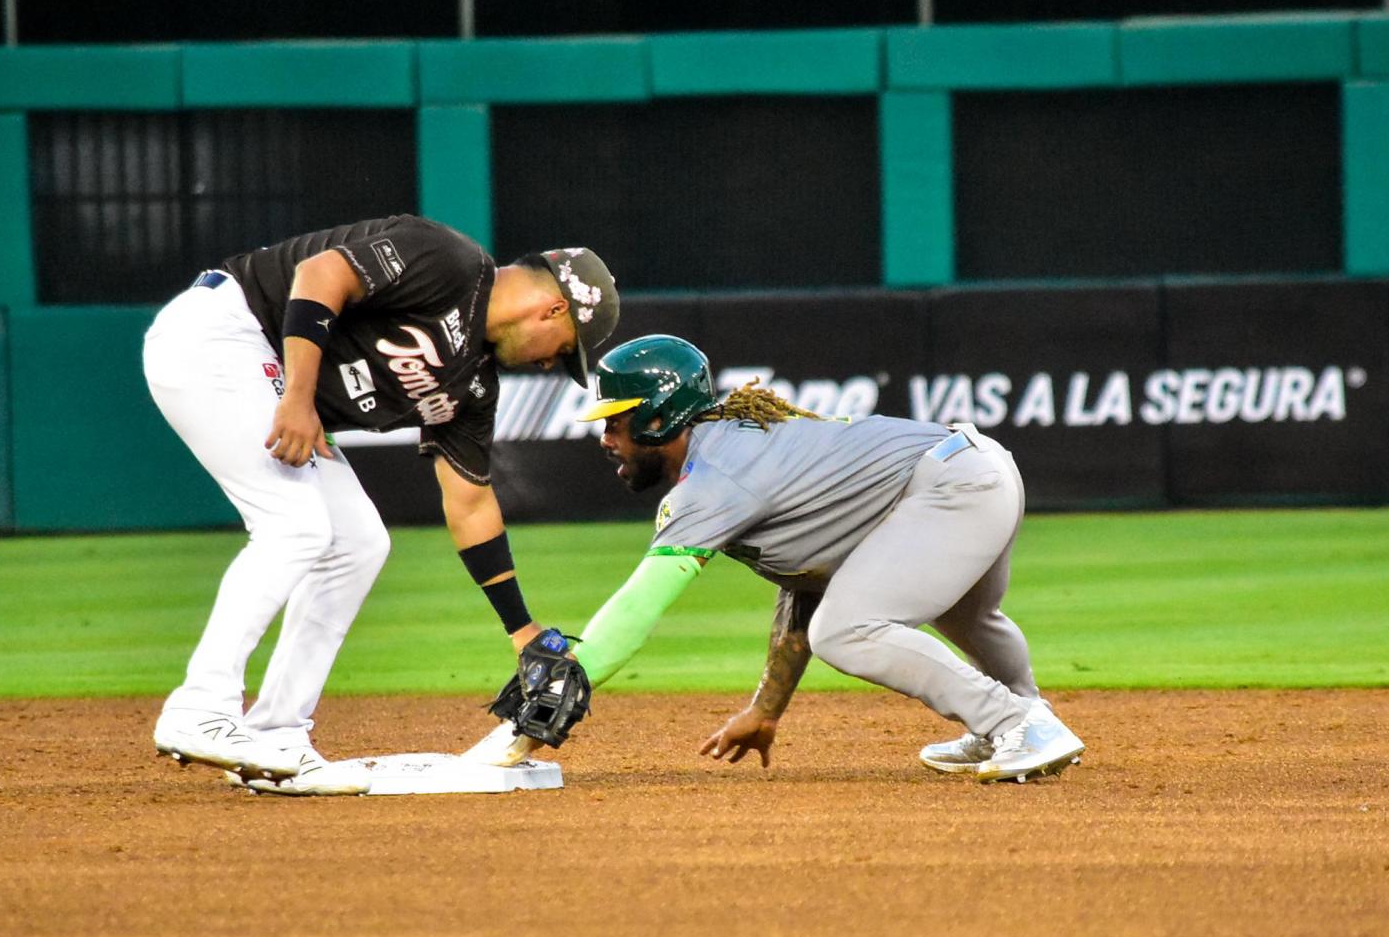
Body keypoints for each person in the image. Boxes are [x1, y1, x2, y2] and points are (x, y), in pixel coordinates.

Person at [463, 334, 1084, 784]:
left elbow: (639, 606)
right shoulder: (730, 448)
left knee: (847, 631)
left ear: (657, 418)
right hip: (973, 469)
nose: (605, 439)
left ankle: (1018, 722)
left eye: (616, 423)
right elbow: (807, 579)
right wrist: (766, 709)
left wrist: (562, 687)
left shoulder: (712, 480)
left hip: (950, 488)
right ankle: (1024, 715)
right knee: (964, 616)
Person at [144, 215, 619, 794]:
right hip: (223, 332)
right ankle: (200, 708)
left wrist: (522, 632)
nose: (550, 366)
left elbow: (469, 501)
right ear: (554, 310)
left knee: (359, 543)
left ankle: (277, 732)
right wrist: (297, 396)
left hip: (266, 371)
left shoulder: (472, 385)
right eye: (563, 352)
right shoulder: (451, 261)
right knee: (294, 526)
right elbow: (320, 275)